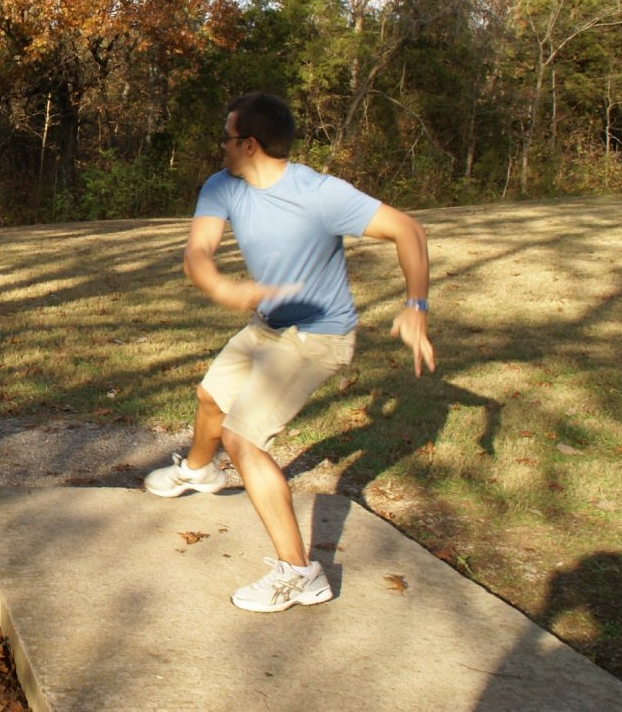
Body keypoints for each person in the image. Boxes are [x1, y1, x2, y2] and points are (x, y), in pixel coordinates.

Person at [144, 91, 434, 613]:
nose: (221, 146)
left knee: (243, 439)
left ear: (250, 144)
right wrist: (222, 286)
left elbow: (408, 229)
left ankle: (300, 574)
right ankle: (199, 471)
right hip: (267, 327)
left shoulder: (320, 194)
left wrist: (415, 307)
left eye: (227, 137)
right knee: (211, 398)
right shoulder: (222, 186)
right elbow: (197, 252)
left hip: (318, 337)